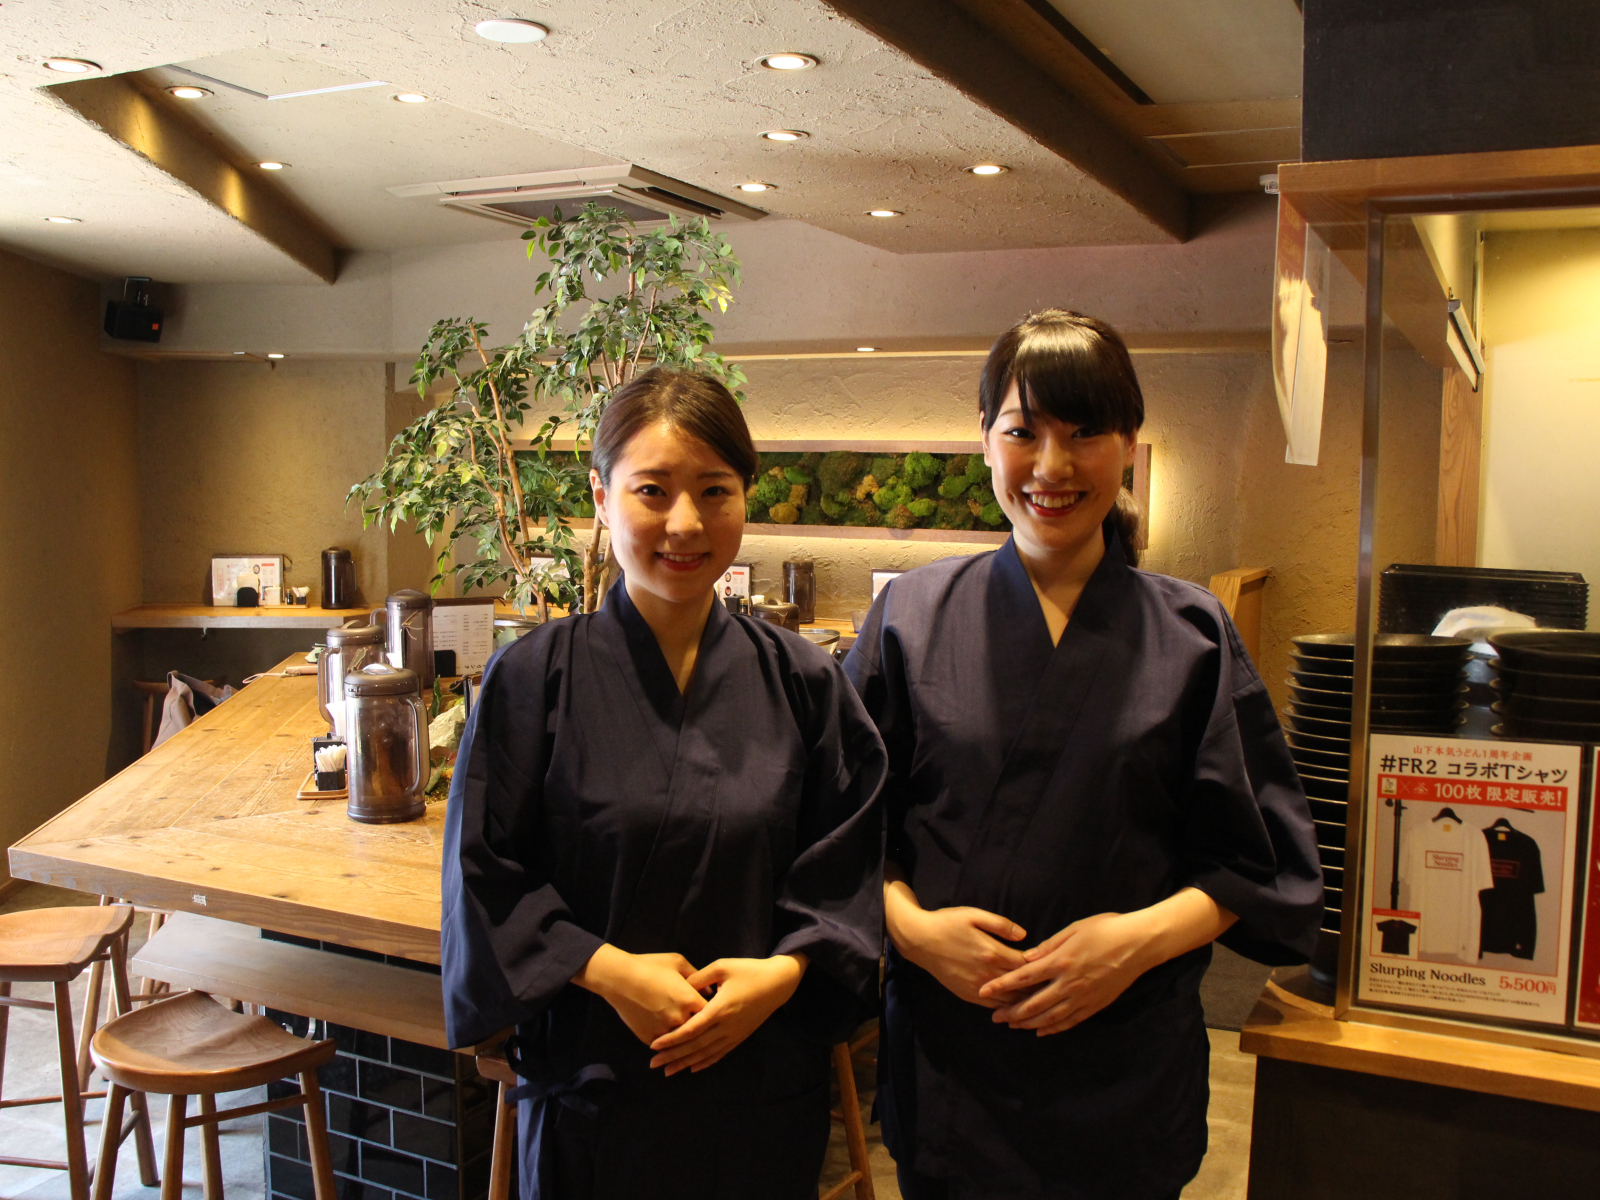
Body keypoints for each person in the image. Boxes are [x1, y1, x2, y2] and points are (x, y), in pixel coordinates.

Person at [844, 310, 1323, 1200]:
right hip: (955, 1067)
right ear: (984, 443)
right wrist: (911, 930)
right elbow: (838, 830)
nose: (1052, 468)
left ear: (1130, 447)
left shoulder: (1193, 633)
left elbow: (1258, 863)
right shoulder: (911, 616)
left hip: (1125, 1070)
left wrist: (1134, 943)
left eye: (1085, 434)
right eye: (1023, 432)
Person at [442, 367, 887, 1200]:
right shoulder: (533, 679)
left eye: (715, 491)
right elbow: (483, 870)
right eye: (653, 490)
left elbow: (850, 865)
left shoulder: (804, 682)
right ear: (602, 499)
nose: (685, 523)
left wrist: (785, 974)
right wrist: (606, 969)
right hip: (596, 1096)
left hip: (758, 1092)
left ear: (744, 499)